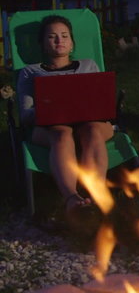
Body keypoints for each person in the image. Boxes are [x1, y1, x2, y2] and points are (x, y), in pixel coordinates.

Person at [17, 15, 112, 224]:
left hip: (91, 123)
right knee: (62, 132)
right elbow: (25, 114)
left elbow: (102, 102)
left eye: (64, 36)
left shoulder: (89, 65)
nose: (59, 41)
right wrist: (50, 108)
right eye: (52, 37)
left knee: (92, 130)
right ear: (42, 43)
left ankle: (95, 197)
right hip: (51, 127)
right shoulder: (30, 72)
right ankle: (72, 199)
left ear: (72, 42)